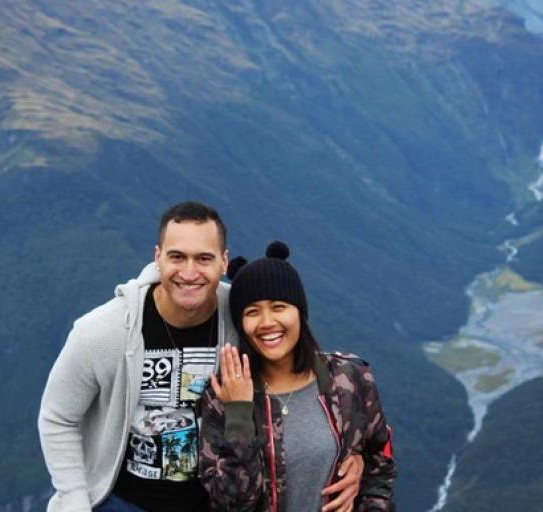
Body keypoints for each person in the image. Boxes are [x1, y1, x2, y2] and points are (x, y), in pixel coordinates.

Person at [38, 201, 365, 512]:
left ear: (224, 261)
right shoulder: (103, 332)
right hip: (122, 502)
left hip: (217, 501)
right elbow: (57, 417)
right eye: (177, 257)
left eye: (204, 259)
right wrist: (75, 502)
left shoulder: (241, 315)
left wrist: (353, 454)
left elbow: (295, 371)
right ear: (158, 258)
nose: (189, 272)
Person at [199, 241, 396, 512]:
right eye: (252, 312)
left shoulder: (349, 379)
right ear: (241, 324)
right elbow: (230, 503)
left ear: (299, 313)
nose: (267, 322)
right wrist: (239, 414)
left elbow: (380, 467)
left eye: (279, 307)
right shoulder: (224, 394)